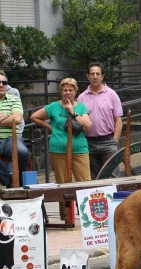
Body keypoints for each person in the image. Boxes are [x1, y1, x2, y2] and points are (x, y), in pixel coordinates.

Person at [30, 78, 92, 221]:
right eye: (65, 90)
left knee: (85, 183)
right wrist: (49, 127)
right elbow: (34, 117)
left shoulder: (81, 107)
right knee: (63, 184)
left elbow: (88, 126)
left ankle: (88, 218)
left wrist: (72, 111)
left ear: (75, 91)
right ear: (61, 92)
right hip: (58, 150)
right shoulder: (53, 107)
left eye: (71, 90)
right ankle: (67, 219)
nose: (68, 93)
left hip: (79, 149)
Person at [77, 61, 124, 179]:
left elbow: (118, 120)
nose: (95, 77)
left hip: (108, 141)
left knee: (112, 176)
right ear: (87, 76)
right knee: (93, 178)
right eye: (92, 74)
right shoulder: (82, 97)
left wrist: (115, 141)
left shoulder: (112, 94)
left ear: (102, 76)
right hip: (89, 143)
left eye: (98, 74)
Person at [0, 72, 27, 188]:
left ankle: (21, 184)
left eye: (4, 83)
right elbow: (13, 118)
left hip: (13, 138)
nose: (1, 85)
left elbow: (17, 119)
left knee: (23, 153)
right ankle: (7, 181)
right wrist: (7, 115)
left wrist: (11, 117)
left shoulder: (14, 99)